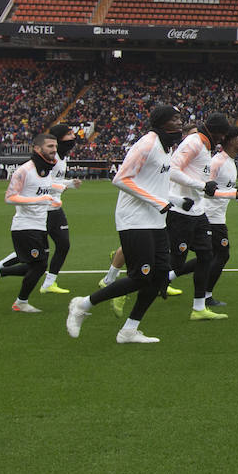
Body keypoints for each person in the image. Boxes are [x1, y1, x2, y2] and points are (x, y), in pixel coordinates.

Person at [66, 104, 193, 343]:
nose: (179, 122)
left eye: (180, 118)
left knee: (159, 278)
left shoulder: (167, 147)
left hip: (156, 221)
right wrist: (157, 202)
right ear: (161, 122)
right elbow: (121, 179)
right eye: (175, 119)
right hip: (134, 219)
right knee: (140, 277)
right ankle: (82, 305)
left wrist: (176, 200)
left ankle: (129, 330)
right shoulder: (147, 144)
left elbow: (156, 186)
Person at [165, 113, 236, 320]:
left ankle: (198, 308)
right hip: (180, 211)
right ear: (216, 132)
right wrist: (202, 185)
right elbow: (172, 170)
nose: (223, 140)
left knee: (208, 255)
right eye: (222, 135)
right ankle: (136, 285)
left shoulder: (205, 148)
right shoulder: (194, 142)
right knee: (176, 263)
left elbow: (204, 186)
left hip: (198, 211)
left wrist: (224, 192)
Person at [0, 133, 61, 313]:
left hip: (40, 225)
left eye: (55, 146)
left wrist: (54, 198)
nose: (54, 150)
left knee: (36, 266)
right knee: (39, 266)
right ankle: (21, 302)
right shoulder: (24, 170)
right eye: (50, 146)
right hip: (25, 226)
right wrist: (39, 200)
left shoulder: (47, 170)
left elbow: (41, 192)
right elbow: (10, 198)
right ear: (37, 148)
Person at [202, 127, 238, 308]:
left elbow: (222, 189)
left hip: (218, 216)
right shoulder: (217, 162)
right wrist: (233, 195)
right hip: (210, 216)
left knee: (207, 255)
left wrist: (234, 193)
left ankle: (168, 277)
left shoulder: (230, 161)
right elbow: (206, 190)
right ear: (230, 141)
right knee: (222, 254)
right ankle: (206, 295)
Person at [37, 123, 82, 295]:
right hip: (43, 207)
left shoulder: (62, 158)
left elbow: (54, 182)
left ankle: (49, 283)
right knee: (34, 251)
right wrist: (67, 185)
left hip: (55, 207)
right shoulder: (51, 158)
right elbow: (43, 183)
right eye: (69, 134)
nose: (73, 136)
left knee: (63, 245)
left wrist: (68, 184)